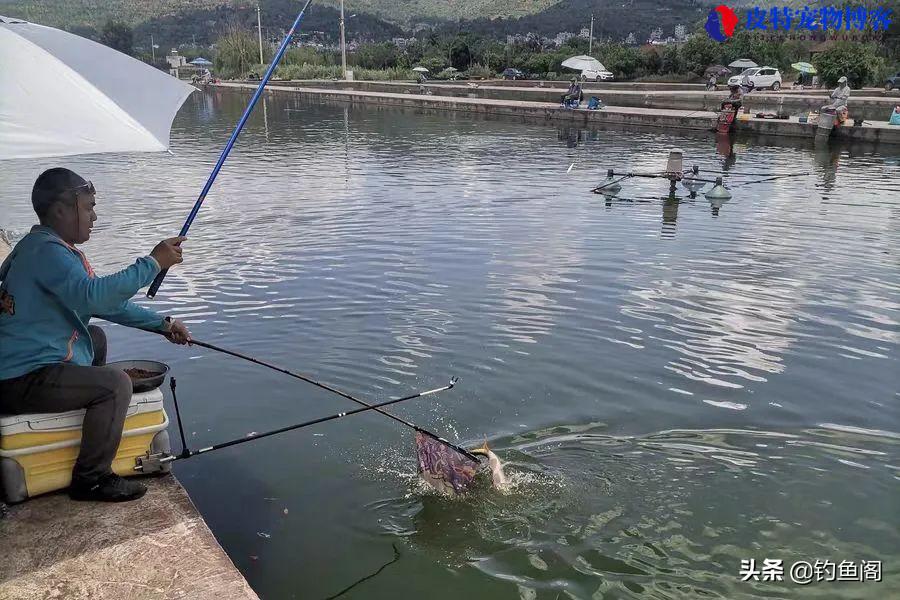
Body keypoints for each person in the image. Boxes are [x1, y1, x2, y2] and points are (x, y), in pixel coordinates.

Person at [0, 168, 192, 502]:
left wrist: (162, 324)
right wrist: (152, 263)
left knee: (95, 337)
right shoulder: (47, 253)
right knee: (116, 383)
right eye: (88, 207)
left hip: (20, 370)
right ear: (61, 209)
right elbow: (95, 296)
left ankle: (89, 420)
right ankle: (91, 478)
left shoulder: (41, 247)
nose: (94, 216)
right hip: (20, 379)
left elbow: (103, 305)